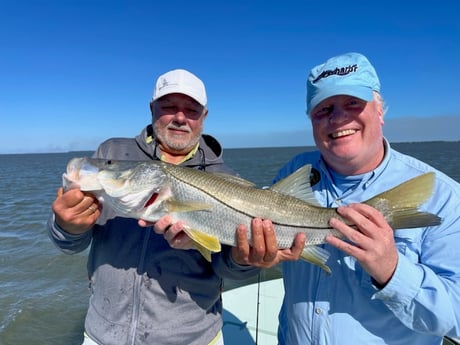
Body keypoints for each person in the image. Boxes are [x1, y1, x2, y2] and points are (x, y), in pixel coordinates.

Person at [48, 69, 280, 345]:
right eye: (169, 106)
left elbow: (228, 269)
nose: (180, 118)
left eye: (191, 110)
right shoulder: (112, 155)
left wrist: (245, 260)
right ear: (152, 109)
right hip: (102, 334)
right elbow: (68, 245)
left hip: (193, 338)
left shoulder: (227, 178)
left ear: (204, 117)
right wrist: (67, 227)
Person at [243, 52, 460, 344]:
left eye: (353, 103)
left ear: (380, 111)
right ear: (311, 121)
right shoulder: (294, 171)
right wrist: (253, 255)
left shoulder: (442, 195)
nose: (338, 118)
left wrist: (392, 272)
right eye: (323, 109)